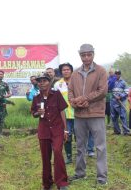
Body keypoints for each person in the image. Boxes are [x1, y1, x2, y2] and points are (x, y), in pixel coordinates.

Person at [68, 44, 108, 185]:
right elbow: (70, 91)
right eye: (83, 55)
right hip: (79, 115)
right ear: (80, 56)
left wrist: (84, 99)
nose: (86, 57)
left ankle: (102, 178)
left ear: (93, 55)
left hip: (96, 114)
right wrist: (74, 102)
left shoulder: (101, 71)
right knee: (80, 146)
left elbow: (102, 91)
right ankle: (80, 173)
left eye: (89, 54)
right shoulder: (75, 73)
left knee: (100, 147)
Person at [31, 73, 69, 190]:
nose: (42, 83)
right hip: (44, 131)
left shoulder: (56, 95)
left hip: (57, 129)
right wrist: (38, 113)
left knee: (58, 152)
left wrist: (65, 130)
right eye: (39, 81)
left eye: (44, 80)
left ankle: (61, 182)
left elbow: (62, 112)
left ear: (49, 82)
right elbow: (33, 114)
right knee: (45, 157)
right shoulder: (36, 98)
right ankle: (47, 182)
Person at [54, 63, 74, 164]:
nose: (66, 71)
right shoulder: (58, 84)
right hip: (64, 115)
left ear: (71, 71)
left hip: (77, 114)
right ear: (61, 72)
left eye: (68, 69)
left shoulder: (77, 82)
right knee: (67, 136)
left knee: (80, 136)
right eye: (64, 70)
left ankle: (81, 155)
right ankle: (69, 157)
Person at [110, 70, 130, 135]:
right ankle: (117, 131)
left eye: (118, 74)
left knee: (123, 116)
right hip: (113, 101)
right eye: (116, 74)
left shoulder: (123, 82)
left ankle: (126, 132)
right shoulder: (112, 82)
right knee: (114, 117)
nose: (117, 75)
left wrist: (120, 96)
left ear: (120, 74)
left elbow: (127, 91)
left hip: (121, 102)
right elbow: (109, 90)